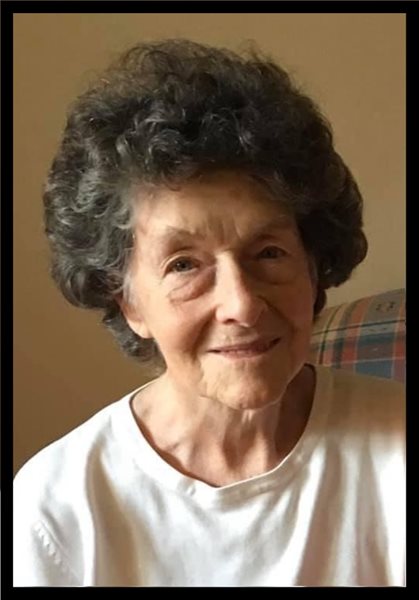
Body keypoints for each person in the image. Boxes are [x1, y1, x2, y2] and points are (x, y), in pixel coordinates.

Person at [13, 39, 405, 587]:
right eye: (183, 265)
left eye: (269, 253)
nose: (241, 304)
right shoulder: (59, 510)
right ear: (128, 302)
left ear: (314, 267)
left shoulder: (397, 448)